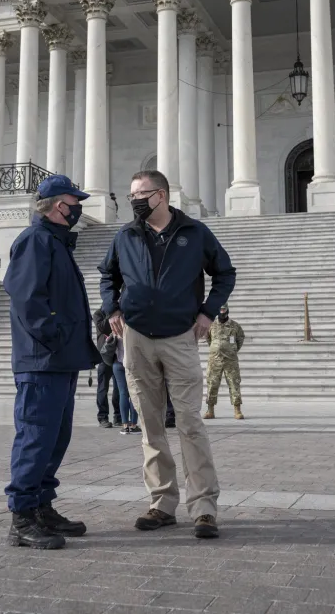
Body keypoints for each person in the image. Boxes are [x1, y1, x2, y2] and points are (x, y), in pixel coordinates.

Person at [99, 169, 236, 540]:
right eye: (131, 195)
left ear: (161, 195)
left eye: (141, 194)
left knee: (190, 422)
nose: (135, 201)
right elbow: (106, 276)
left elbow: (225, 274)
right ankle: (162, 503)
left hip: (180, 337)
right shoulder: (125, 234)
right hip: (138, 337)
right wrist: (112, 309)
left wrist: (208, 312)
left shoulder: (195, 234)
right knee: (150, 425)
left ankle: (204, 507)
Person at [3, 174, 98, 550]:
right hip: (42, 359)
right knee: (35, 437)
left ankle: (42, 506)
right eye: (75, 202)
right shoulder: (35, 241)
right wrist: (56, 336)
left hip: (60, 358)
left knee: (55, 438)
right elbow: (27, 299)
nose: (78, 209)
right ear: (59, 205)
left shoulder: (55, 242)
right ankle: (22, 518)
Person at [204, 304, 245, 420]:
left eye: (224, 310)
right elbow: (208, 338)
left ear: (227, 311)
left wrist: (232, 350)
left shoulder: (235, 326)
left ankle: (237, 410)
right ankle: (210, 410)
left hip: (230, 360)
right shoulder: (211, 325)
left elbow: (240, 338)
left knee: (234, 383)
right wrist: (216, 348)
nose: (222, 312)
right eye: (220, 310)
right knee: (212, 383)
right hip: (214, 360)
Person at [94, 310, 121, 428]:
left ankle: (118, 417)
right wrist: (111, 314)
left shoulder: (119, 313)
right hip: (104, 357)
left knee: (119, 389)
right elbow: (103, 327)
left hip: (117, 356)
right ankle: (103, 417)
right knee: (102, 388)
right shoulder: (98, 314)